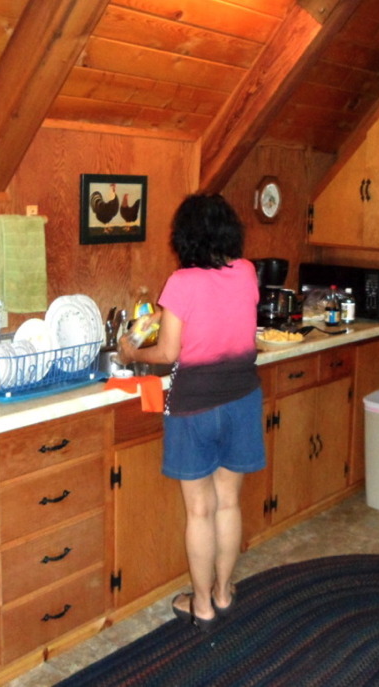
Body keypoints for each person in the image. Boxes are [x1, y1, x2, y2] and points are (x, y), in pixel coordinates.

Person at [117, 193, 264, 634]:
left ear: (185, 237)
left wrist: (129, 352)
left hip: (194, 405)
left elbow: (167, 351)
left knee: (199, 510)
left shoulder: (181, 283)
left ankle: (200, 603)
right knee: (229, 503)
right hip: (242, 398)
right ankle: (223, 591)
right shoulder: (247, 272)